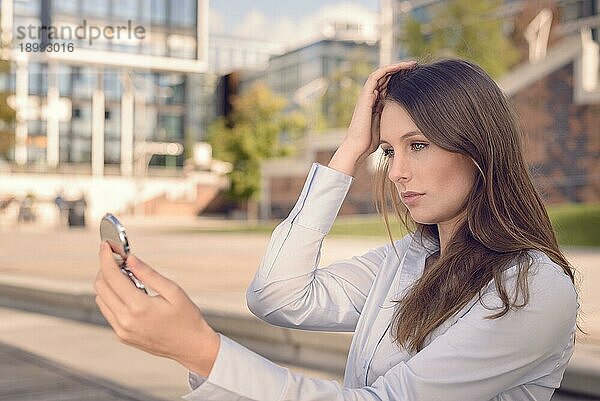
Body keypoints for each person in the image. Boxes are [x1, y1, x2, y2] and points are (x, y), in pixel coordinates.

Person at [94, 59, 580, 401]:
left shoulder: (531, 287)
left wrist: (201, 350)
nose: (396, 172)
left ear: (476, 147)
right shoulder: (407, 260)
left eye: (419, 145)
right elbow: (277, 296)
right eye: (389, 150)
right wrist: (349, 148)